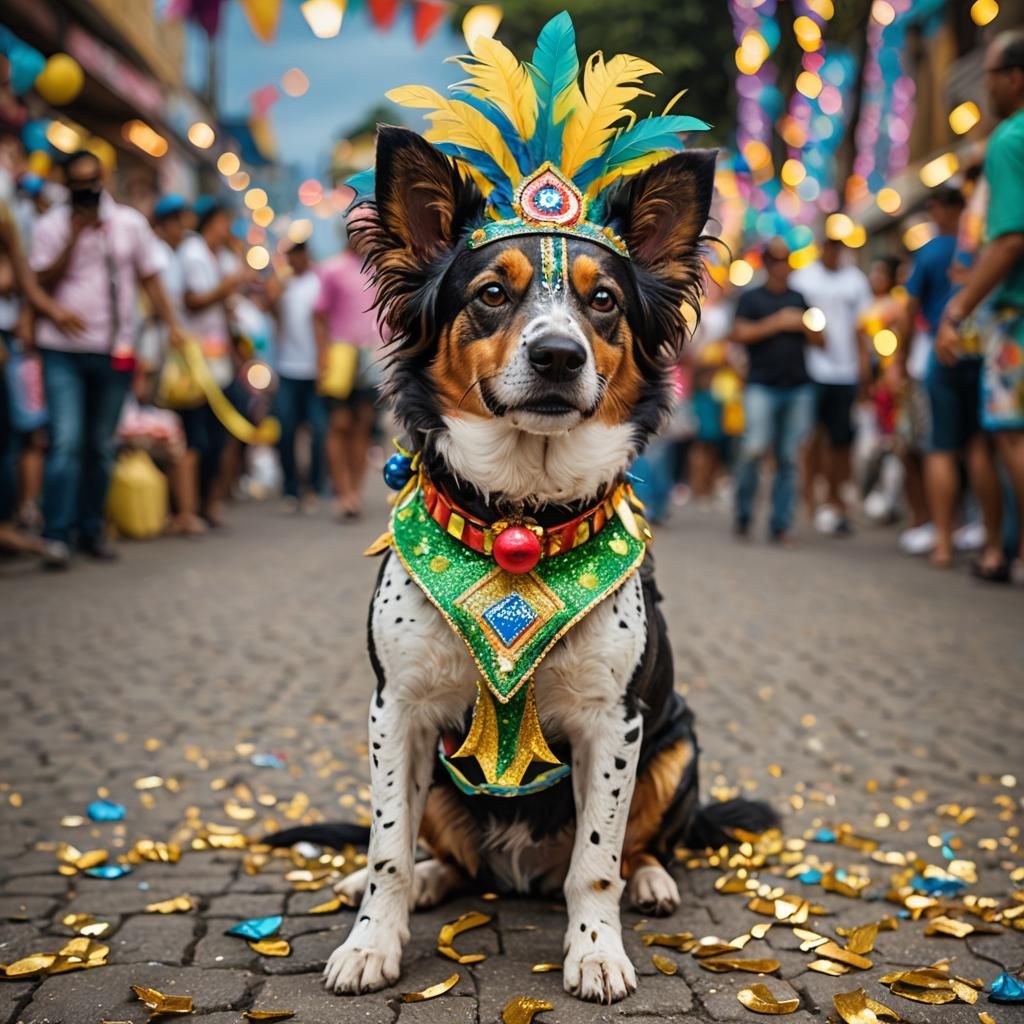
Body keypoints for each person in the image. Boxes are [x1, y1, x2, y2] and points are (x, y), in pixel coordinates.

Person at [29, 150, 180, 569]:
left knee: (100, 446)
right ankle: (56, 534)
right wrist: (75, 236)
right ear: (65, 183)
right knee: (65, 442)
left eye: (92, 182)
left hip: (115, 350)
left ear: (104, 179)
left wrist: (173, 327)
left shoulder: (129, 223)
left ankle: (90, 529)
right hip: (61, 350)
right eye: (78, 184)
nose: (86, 191)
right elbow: (38, 280)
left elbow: (151, 279)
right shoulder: (51, 225)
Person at [936, 29, 1024, 583]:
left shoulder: (1010, 140)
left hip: (1016, 315)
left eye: (990, 73)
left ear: (1014, 78)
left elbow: (1011, 239)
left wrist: (956, 309)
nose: (985, 85)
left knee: (1013, 434)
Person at [899, 186, 1001, 569]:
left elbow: (909, 311)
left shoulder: (932, 252)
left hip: (944, 354)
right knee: (979, 448)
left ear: (946, 209)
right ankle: (992, 545)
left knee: (941, 447)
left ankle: (943, 542)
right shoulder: (987, 248)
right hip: (985, 351)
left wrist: (900, 362)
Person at [732, 237, 824, 543]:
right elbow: (739, 333)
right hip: (761, 385)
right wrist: (777, 323)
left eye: (787, 261)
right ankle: (744, 513)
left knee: (789, 457)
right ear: (768, 264)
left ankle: (781, 523)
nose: (783, 267)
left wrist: (807, 327)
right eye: (777, 261)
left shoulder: (800, 298)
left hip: (798, 386)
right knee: (754, 448)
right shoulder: (752, 298)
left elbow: (821, 341)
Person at [791, 235, 873, 536]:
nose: (834, 250)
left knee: (841, 441)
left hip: (845, 371)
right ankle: (809, 499)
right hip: (811, 369)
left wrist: (863, 370)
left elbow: (862, 328)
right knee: (810, 437)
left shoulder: (855, 281)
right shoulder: (804, 278)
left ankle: (834, 498)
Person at [177, 196, 247, 527]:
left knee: (220, 432)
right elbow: (192, 301)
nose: (227, 229)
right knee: (198, 434)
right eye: (223, 222)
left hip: (218, 358)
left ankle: (209, 500)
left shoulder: (217, 256)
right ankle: (193, 507)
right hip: (195, 359)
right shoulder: (192, 254)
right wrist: (226, 289)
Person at [314, 213, 382, 520]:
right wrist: (322, 357)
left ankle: (354, 491)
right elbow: (319, 315)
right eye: (361, 231)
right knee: (338, 424)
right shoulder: (331, 270)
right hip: (340, 356)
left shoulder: (381, 270)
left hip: (372, 356)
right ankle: (342, 491)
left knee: (363, 427)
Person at [272, 240, 326, 510]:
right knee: (286, 429)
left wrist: (323, 365)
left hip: (313, 370)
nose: (295, 259)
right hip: (287, 368)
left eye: (299, 253)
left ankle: (316, 486)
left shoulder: (319, 283)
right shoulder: (284, 286)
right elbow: (267, 308)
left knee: (319, 430)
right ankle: (290, 488)